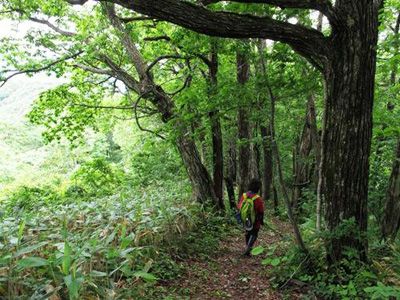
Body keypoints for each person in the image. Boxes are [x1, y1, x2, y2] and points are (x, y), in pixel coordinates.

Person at [237, 178, 265, 256]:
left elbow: (239, 206)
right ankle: (248, 249)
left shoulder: (244, 195)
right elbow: (261, 211)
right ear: (258, 187)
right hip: (255, 220)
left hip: (245, 219)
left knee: (248, 232)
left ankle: (247, 248)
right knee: (254, 233)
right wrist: (261, 220)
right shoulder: (257, 198)